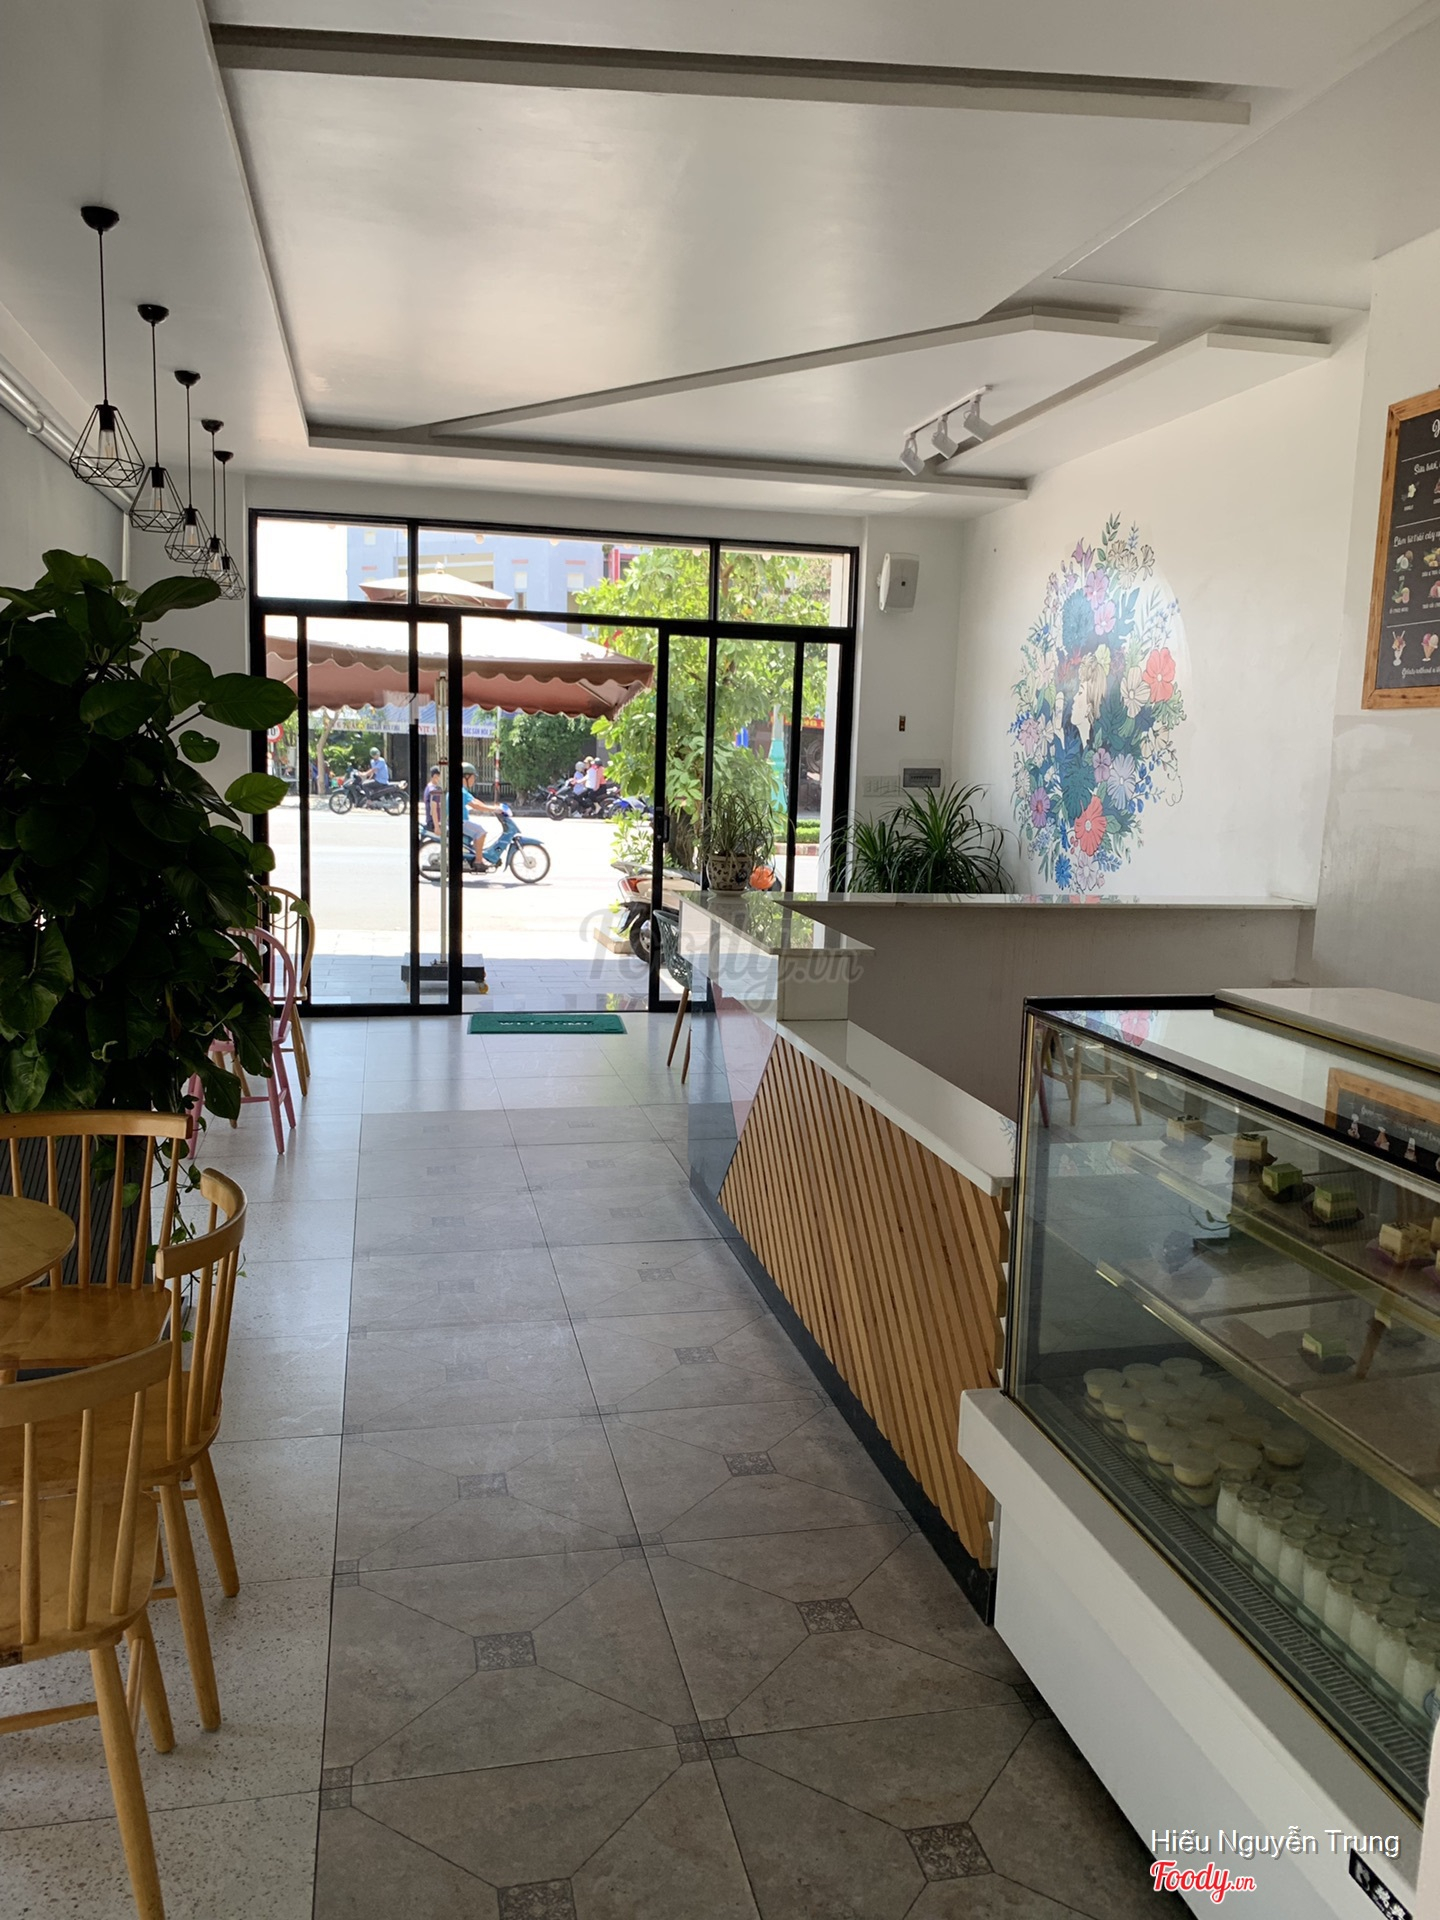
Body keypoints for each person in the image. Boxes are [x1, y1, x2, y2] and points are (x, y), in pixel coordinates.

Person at [459, 762, 505, 862]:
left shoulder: (463, 790)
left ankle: (475, 855)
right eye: (473, 777)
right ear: (466, 777)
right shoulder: (461, 791)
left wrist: (492, 807)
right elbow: (475, 805)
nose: (474, 780)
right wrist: (493, 809)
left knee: (477, 831)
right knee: (481, 832)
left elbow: (475, 801)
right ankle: (479, 861)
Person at [423, 765, 445, 835]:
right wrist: (437, 827)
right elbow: (433, 810)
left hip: (431, 821)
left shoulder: (428, 787)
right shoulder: (434, 790)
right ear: (435, 776)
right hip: (434, 823)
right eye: (439, 776)